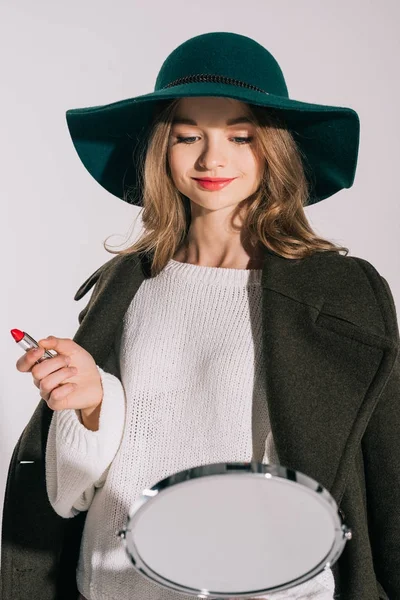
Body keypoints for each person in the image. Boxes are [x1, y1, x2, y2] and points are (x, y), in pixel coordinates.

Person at [2, 31, 399, 600]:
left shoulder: (341, 294)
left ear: (275, 149)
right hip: (119, 584)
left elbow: (387, 475)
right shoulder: (127, 285)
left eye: (241, 136)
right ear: (161, 148)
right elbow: (72, 495)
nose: (214, 158)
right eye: (188, 136)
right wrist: (91, 403)